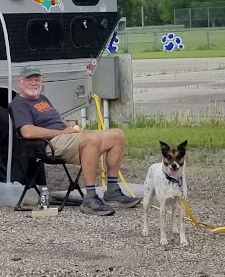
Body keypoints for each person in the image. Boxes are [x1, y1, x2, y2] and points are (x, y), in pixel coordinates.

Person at [10, 66, 138, 216]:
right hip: (48, 144)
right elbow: (27, 132)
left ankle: (112, 191)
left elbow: (55, 120)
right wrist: (63, 132)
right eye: (29, 79)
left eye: (36, 79)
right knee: (92, 139)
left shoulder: (42, 99)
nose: (33, 83)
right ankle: (90, 198)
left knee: (117, 135)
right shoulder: (19, 103)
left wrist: (71, 126)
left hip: (65, 136)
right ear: (20, 83)